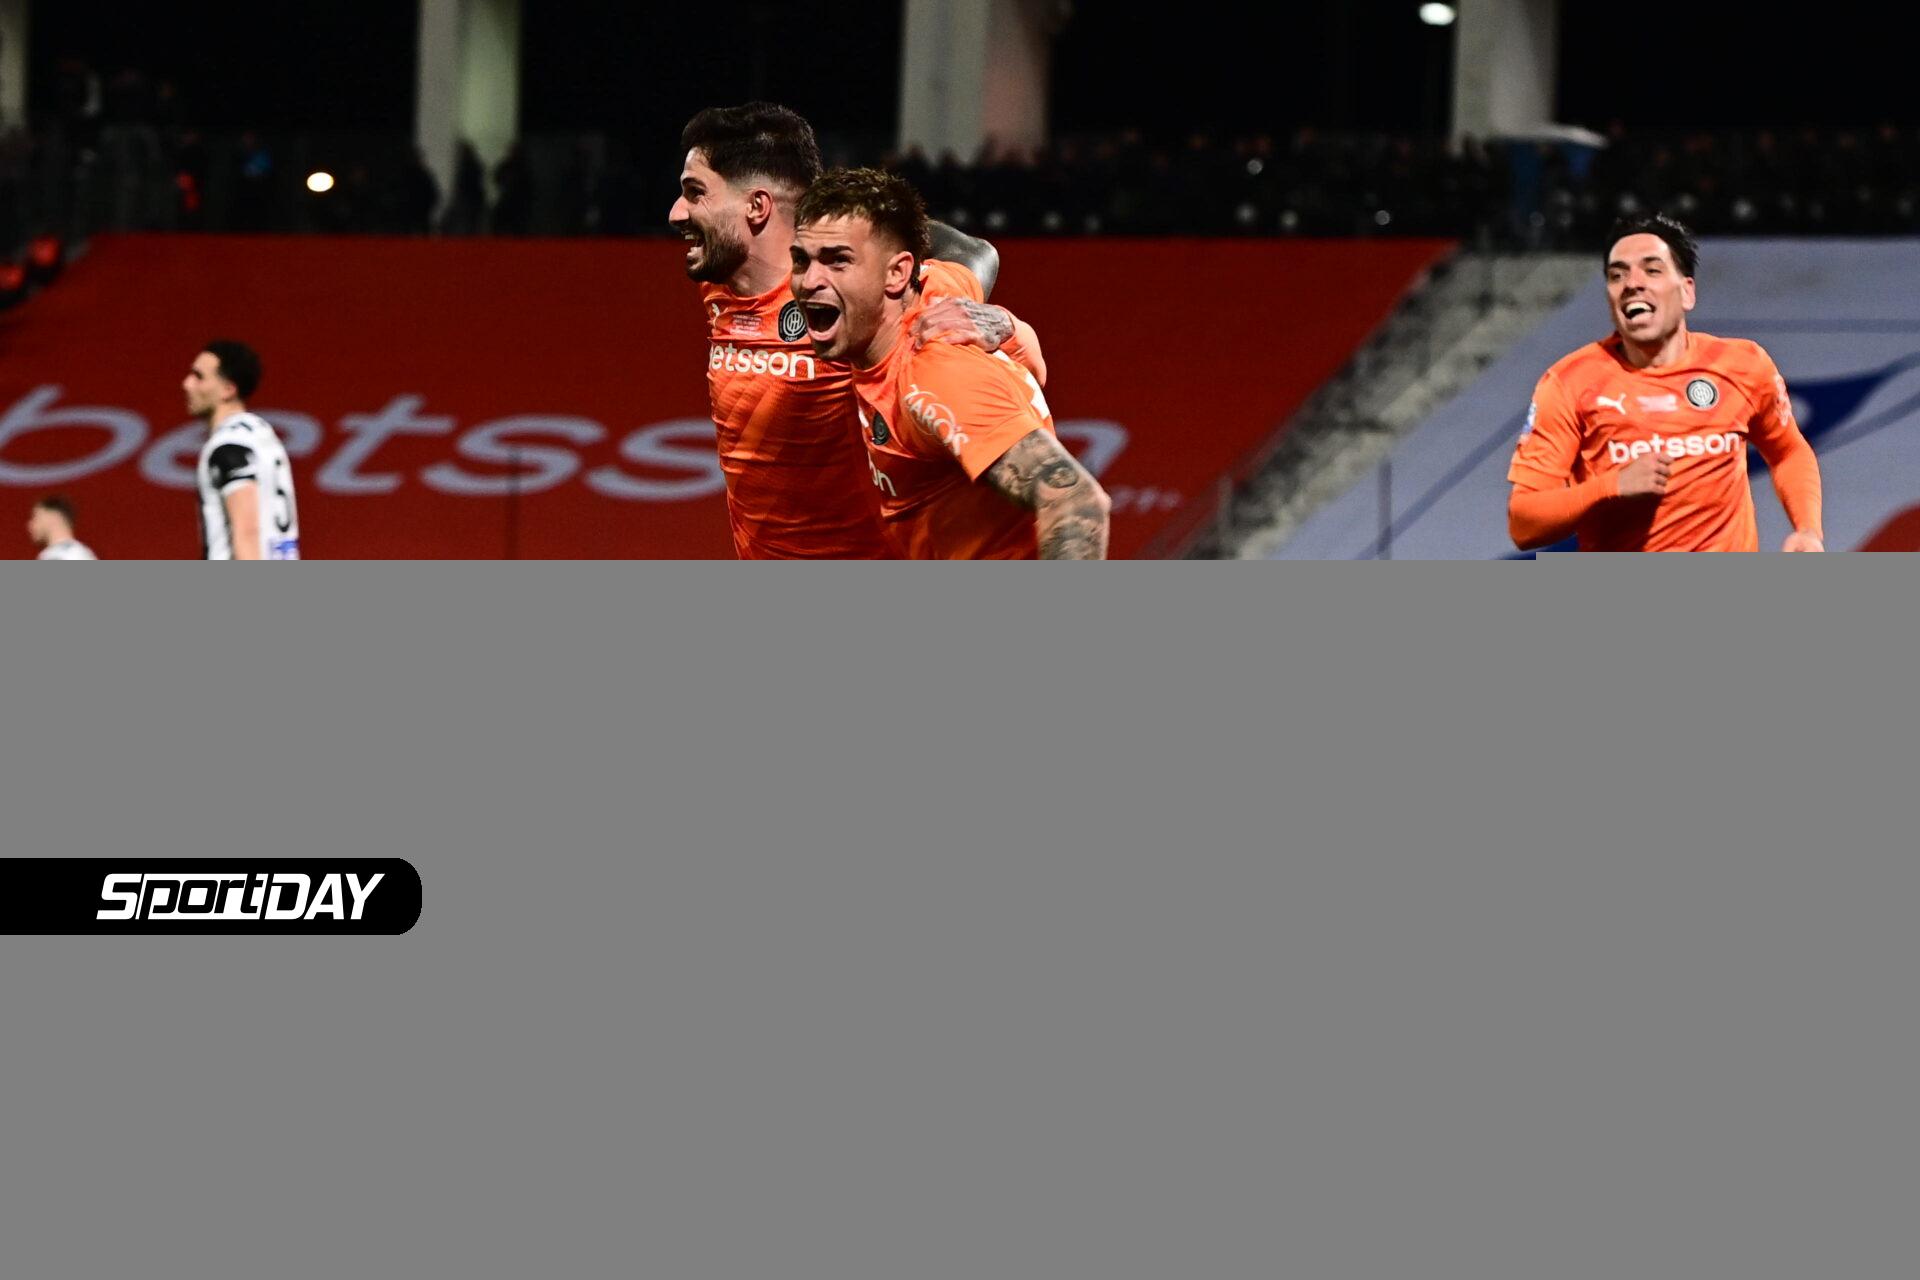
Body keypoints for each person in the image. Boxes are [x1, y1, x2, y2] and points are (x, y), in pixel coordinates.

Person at [667, 102, 1047, 559]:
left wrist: (993, 320)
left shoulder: (861, 301)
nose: (676, 213)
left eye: (695, 193)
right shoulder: (718, 278)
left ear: (757, 206)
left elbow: (974, 252)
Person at [791, 168, 1110, 559]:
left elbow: (1075, 501)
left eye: (838, 260)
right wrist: (1009, 327)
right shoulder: (937, 291)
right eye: (801, 260)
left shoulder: (932, 373)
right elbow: (975, 252)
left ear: (897, 273)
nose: (809, 281)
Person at [1508, 213, 1823, 553]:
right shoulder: (1568, 382)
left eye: (1652, 270)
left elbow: (1788, 452)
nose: (1632, 283)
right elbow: (1523, 523)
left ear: (1687, 292)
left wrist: (1807, 529)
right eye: (1617, 275)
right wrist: (1611, 486)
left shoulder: (1743, 365)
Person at [182, 340, 301, 559]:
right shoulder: (263, 435)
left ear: (228, 389)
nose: (187, 384)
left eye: (199, 377)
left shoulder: (227, 447)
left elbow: (247, 531)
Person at [27, 496, 97, 559]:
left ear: (53, 517)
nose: (30, 525)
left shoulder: (65, 555)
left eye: (36, 517)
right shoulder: (81, 552)